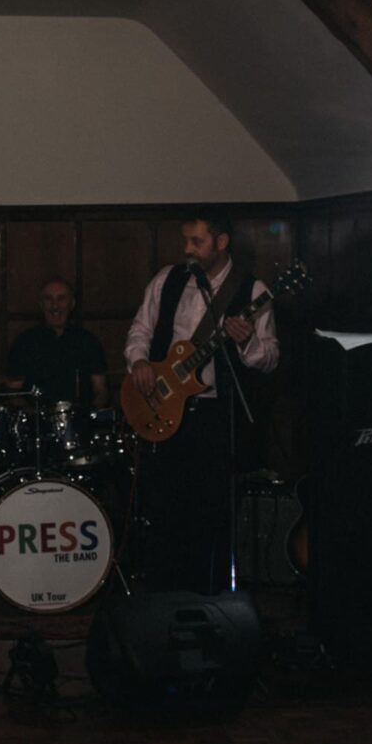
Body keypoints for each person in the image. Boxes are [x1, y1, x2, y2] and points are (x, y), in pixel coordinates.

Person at [123, 209, 278, 594]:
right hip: (164, 411)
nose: (188, 249)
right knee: (165, 510)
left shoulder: (251, 292)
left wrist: (246, 341)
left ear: (222, 242)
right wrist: (139, 361)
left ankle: (209, 598)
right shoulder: (167, 279)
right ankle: (163, 595)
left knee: (210, 513)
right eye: (186, 240)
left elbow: (270, 358)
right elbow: (141, 328)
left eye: (198, 241)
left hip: (214, 417)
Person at [4, 278, 109, 410]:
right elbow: (13, 392)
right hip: (36, 423)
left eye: (61, 299)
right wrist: (33, 415)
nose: (55, 306)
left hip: (79, 421)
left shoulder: (87, 341)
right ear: (41, 304)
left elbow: (101, 390)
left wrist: (88, 413)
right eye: (48, 299)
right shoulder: (24, 342)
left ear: (72, 304)